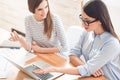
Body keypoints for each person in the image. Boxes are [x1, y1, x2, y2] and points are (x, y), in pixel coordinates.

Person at [33, 0, 120, 80]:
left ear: (100, 20)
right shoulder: (87, 32)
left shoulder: (112, 44)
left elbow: (86, 69)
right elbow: (72, 55)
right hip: (92, 77)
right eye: (82, 19)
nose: (82, 25)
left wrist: (53, 69)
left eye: (87, 21)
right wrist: (88, 68)